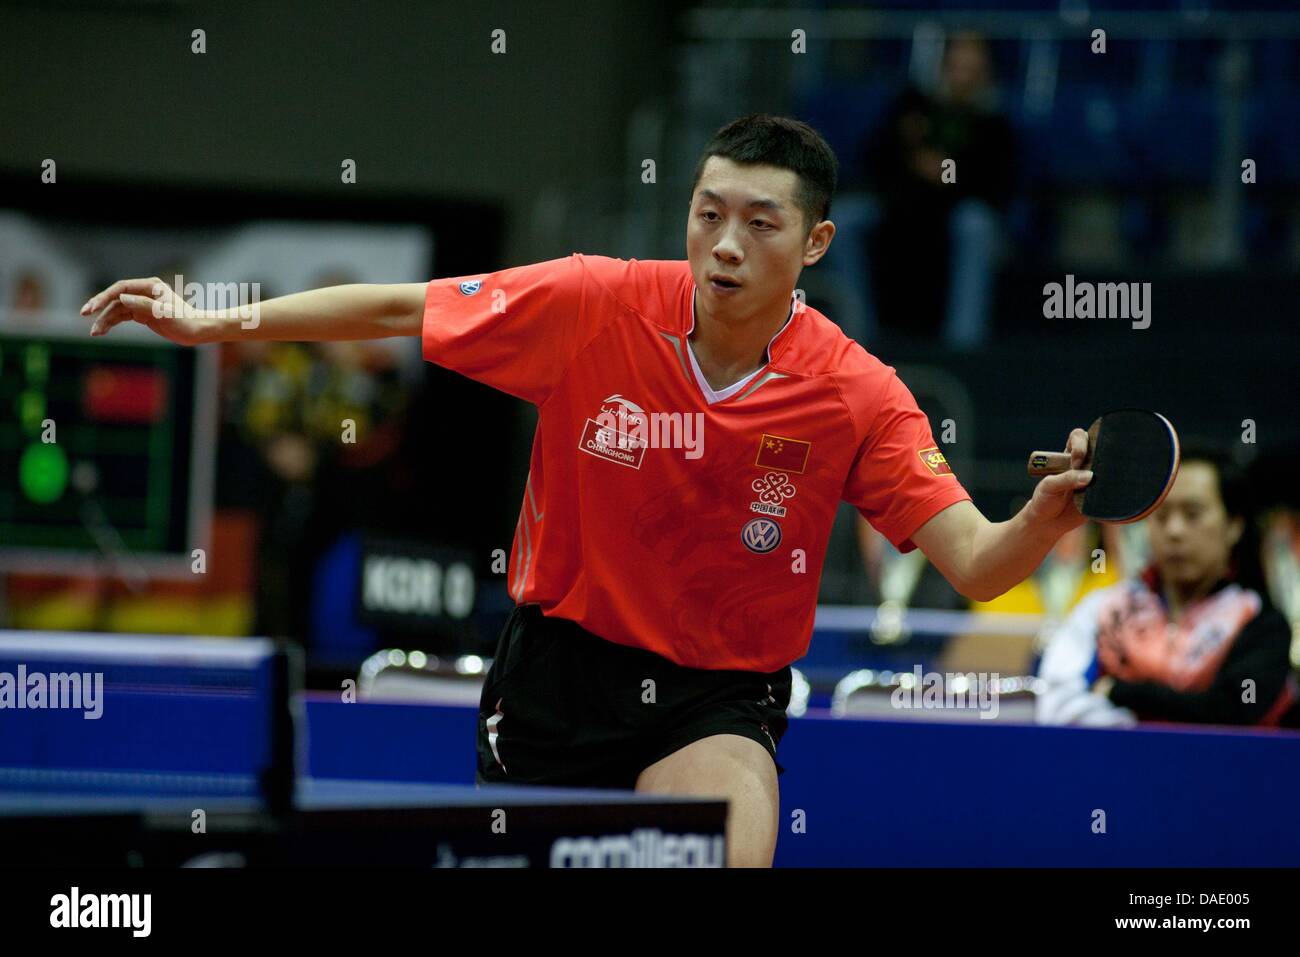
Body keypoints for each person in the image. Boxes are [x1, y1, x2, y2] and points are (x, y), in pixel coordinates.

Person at [81, 114, 1094, 867]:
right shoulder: (593, 304)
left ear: (815, 244)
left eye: (759, 222)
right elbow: (401, 306)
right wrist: (217, 319)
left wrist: (1040, 520)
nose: (726, 245)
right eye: (708, 215)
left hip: (715, 696)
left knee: (723, 851)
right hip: (556, 680)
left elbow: (972, 560)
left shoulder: (856, 392)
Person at [1036, 445, 1299, 729]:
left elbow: (1229, 712)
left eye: (1193, 514)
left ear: (1234, 524)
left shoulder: (1259, 622)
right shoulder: (1103, 611)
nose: (1174, 531)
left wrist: (1118, 691)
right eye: (1161, 516)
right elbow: (1058, 705)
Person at [860, 32, 1016, 350]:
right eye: (957, 66)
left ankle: (963, 342)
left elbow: (995, 187)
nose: (963, 76)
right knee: (846, 221)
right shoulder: (912, 108)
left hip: (957, 212)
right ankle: (856, 333)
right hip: (902, 206)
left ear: (985, 75)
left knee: (974, 224)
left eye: (972, 69)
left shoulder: (994, 125)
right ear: (944, 66)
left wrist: (946, 175)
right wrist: (910, 158)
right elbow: (873, 160)